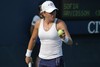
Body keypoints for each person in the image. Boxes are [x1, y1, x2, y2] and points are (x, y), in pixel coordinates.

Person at [25, 0, 73, 67]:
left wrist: (64, 38)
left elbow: (70, 42)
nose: (53, 14)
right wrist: (28, 55)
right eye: (50, 12)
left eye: (54, 11)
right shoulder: (38, 23)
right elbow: (33, 39)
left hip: (56, 60)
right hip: (41, 60)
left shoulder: (60, 24)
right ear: (44, 13)